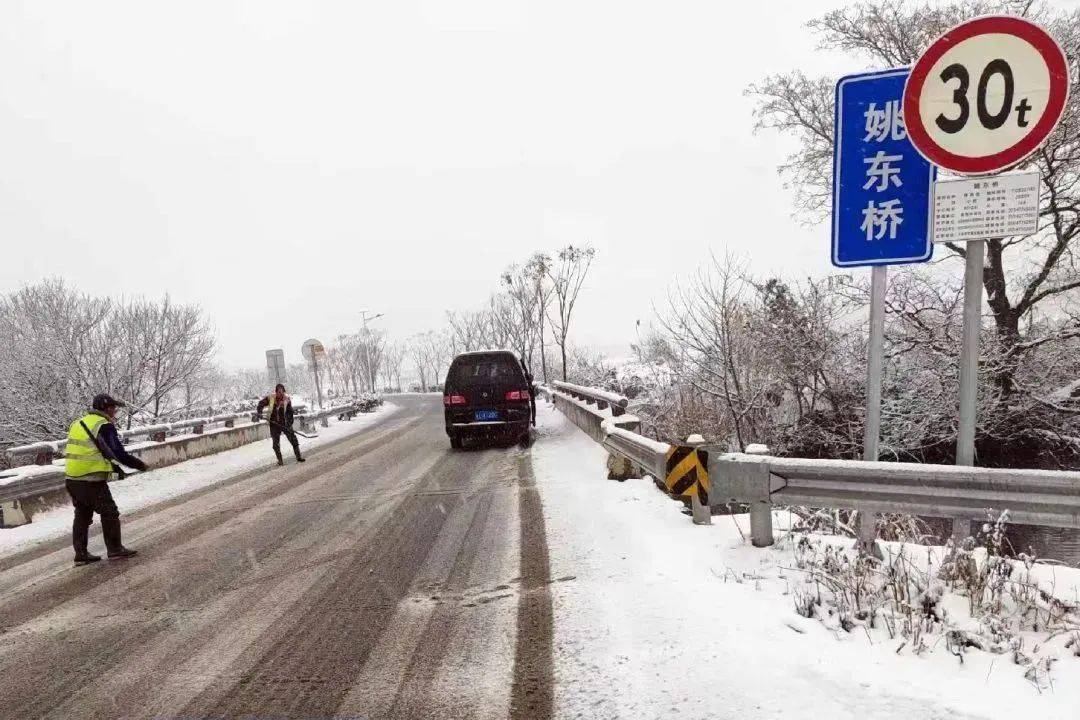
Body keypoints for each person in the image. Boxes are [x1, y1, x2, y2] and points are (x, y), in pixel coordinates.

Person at [64, 393, 146, 566]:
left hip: (72, 479)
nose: (115, 411)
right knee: (109, 511)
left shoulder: (78, 423)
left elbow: (96, 449)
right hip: (90, 479)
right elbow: (118, 452)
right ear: (106, 408)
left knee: (82, 514)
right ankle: (115, 549)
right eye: (113, 408)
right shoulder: (103, 425)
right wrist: (140, 465)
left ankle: (81, 554)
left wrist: (115, 468)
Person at [256, 383, 306, 466]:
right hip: (274, 423)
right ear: (276, 392)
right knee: (276, 444)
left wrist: (289, 424)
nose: (280, 393)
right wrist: (259, 413)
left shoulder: (287, 400)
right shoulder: (270, 398)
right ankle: (280, 461)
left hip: (285, 423)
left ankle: (298, 456)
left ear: (284, 391)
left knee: (293, 439)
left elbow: (290, 413)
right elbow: (261, 404)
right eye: (279, 392)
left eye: (282, 391)